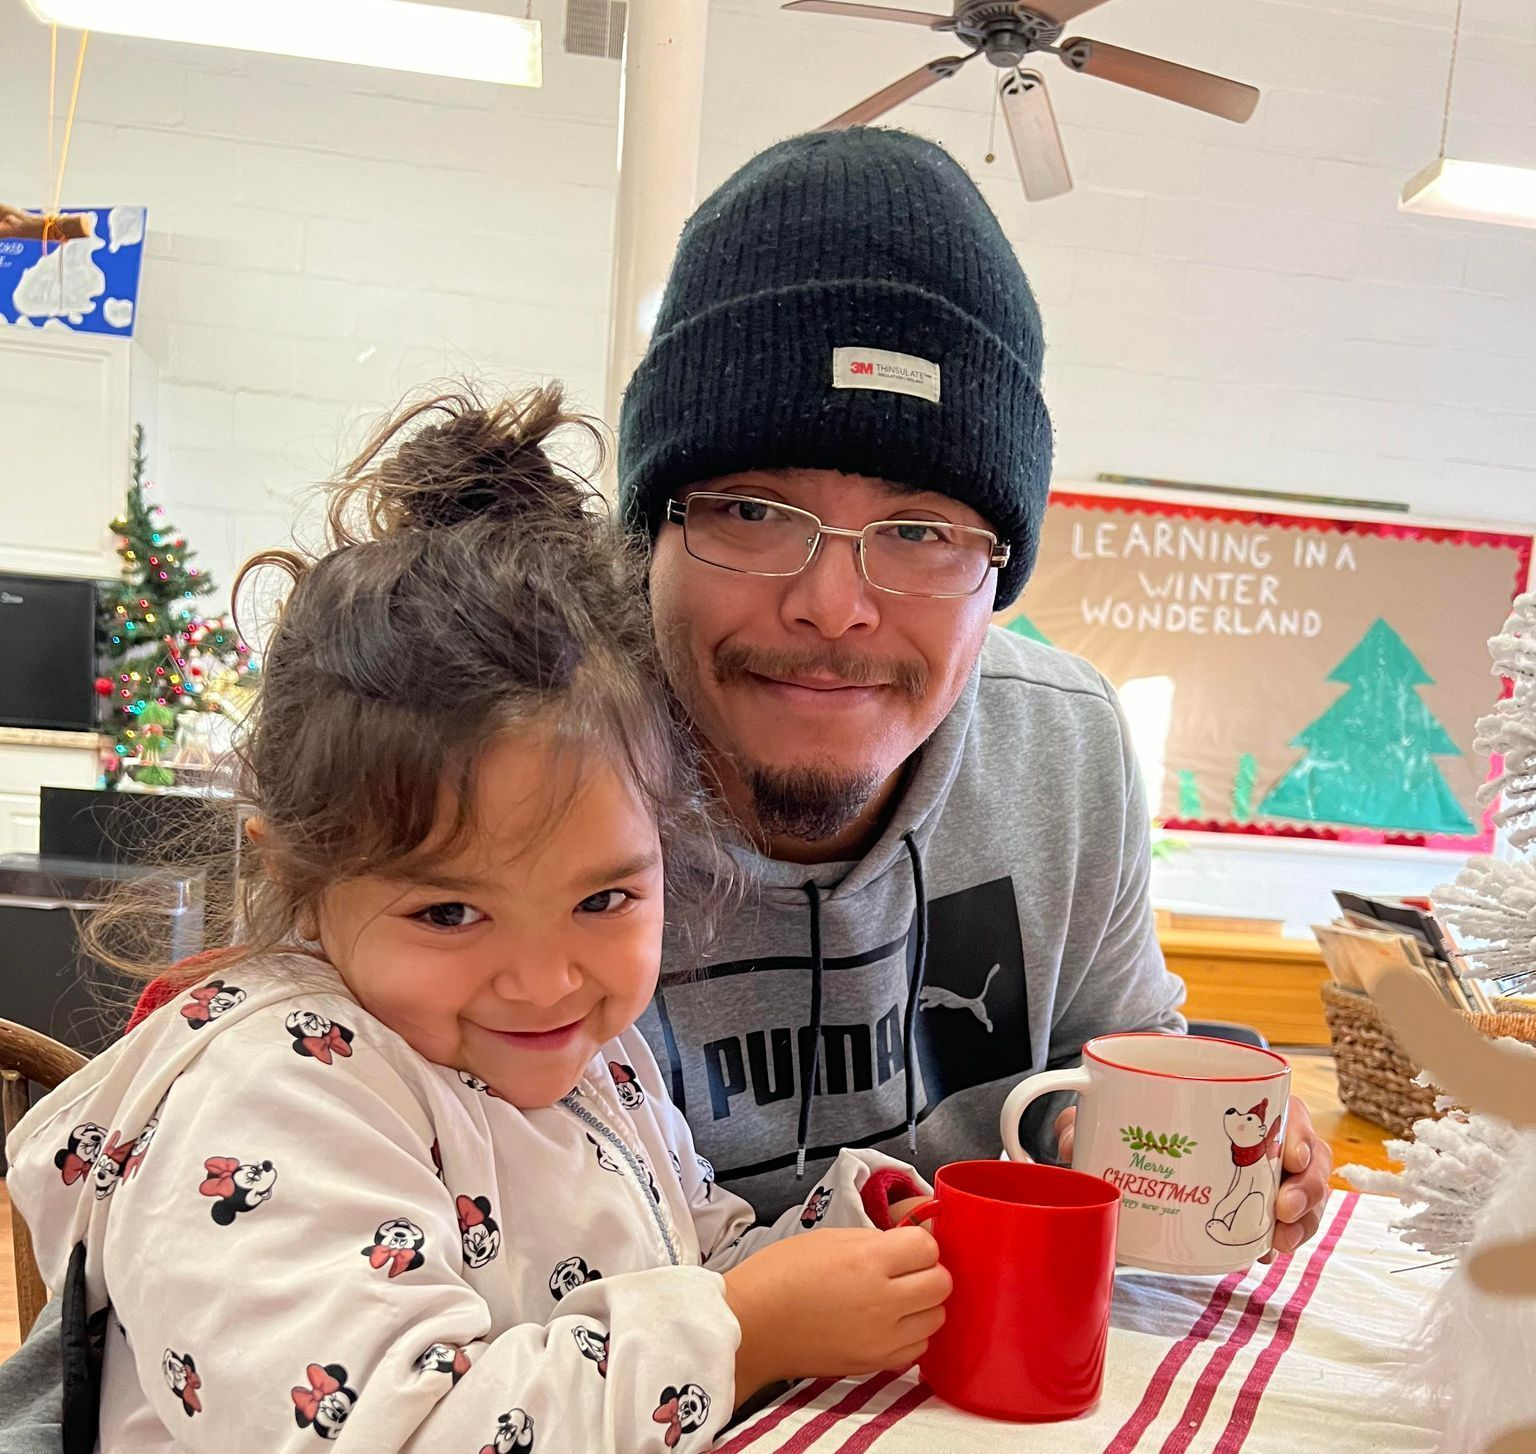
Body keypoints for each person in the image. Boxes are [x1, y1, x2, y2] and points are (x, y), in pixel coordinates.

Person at [3, 386, 949, 1453]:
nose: (545, 977)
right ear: (307, 881)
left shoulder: (593, 1058)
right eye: (451, 910)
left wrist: (846, 1242)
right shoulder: (276, 1095)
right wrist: (744, 1330)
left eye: (605, 898)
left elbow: (690, 1253)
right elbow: (403, 1431)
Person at [616, 125, 1333, 1239]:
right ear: (648, 532)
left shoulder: (1066, 749)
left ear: (998, 571)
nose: (833, 603)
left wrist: (1190, 1143)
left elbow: (1099, 1080)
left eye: (920, 529)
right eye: (752, 509)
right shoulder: (534, 748)